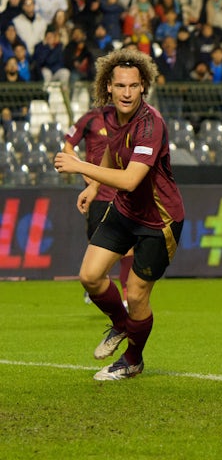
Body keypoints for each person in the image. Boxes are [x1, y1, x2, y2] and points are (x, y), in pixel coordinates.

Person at [53, 49, 185, 381]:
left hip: (159, 220)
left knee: (137, 294)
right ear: (108, 87)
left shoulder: (150, 124)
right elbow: (113, 152)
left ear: (144, 88)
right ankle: (121, 324)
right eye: (120, 85)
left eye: (134, 86)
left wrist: (80, 167)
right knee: (91, 276)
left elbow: (130, 179)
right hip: (125, 209)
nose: (127, 93)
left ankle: (133, 360)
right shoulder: (108, 116)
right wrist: (94, 187)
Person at [62, 107, 134, 307]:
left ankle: (126, 295)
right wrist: (82, 169)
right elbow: (68, 146)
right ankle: (94, 284)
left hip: (122, 191)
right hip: (98, 195)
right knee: (98, 242)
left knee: (128, 248)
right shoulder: (89, 119)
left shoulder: (128, 119)